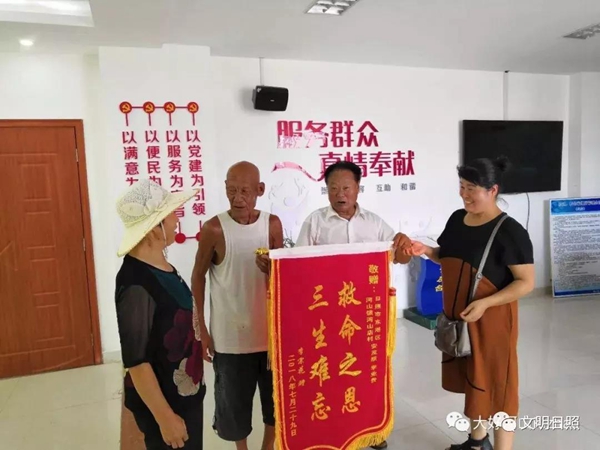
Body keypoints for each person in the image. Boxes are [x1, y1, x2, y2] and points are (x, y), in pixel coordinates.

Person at [259, 160, 412, 450]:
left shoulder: (374, 223)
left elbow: (400, 257)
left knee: (367, 371)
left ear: (358, 189)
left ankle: (369, 428)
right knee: (330, 372)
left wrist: (404, 244)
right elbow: (298, 266)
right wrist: (274, 265)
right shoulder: (316, 222)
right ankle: (331, 427)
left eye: (346, 188)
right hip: (327, 315)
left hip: (365, 314)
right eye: (333, 188)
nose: (340, 194)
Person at [406, 157, 535, 450]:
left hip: (492, 322)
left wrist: (486, 303)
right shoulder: (457, 219)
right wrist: (426, 250)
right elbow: (446, 255)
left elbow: (526, 282)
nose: (464, 194)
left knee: (499, 389)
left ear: (493, 190)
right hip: (460, 318)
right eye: (462, 187)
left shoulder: (510, 232)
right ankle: (477, 442)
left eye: (472, 188)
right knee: (473, 381)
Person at [191, 161, 284, 450]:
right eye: (231, 190)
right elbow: (197, 277)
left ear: (260, 190)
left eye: (245, 191)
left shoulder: (272, 224)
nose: (238, 198)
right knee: (233, 409)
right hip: (230, 339)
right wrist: (201, 330)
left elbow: (285, 276)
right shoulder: (214, 228)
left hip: (270, 337)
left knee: (275, 403)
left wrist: (273, 269)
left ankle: (267, 447)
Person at [114, 179, 205, 450]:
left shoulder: (160, 264)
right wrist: (165, 418)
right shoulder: (135, 283)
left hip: (184, 395)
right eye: (171, 214)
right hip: (166, 405)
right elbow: (137, 362)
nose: (177, 220)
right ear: (155, 227)